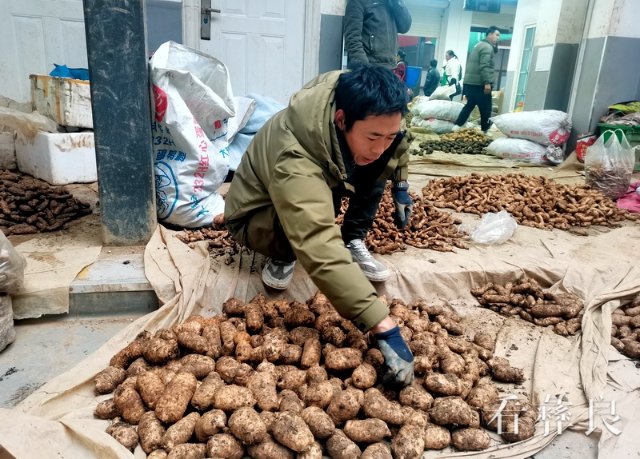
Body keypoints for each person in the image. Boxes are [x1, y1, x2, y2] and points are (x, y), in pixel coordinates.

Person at [223, 65, 415, 387]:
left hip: (314, 184)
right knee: (309, 224)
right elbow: (316, 238)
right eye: (372, 137)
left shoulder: (376, 114)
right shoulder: (294, 154)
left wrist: (401, 184)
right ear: (341, 120)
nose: (380, 145)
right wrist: (380, 322)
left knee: (378, 162)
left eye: (388, 135)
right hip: (256, 217)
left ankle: (353, 239)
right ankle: (284, 252)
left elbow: (398, 142)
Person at [453, 26, 500, 133]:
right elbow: (485, 66)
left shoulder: (478, 45)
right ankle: (485, 130)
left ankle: (456, 126)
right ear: (489, 34)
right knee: (486, 108)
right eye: (496, 35)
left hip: (470, 83)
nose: (498, 38)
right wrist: (487, 82)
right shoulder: (487, 47)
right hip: (480, 84)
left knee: (469, 105)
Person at [343, 0, 412, 69]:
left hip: (391, 67)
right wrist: (365, 69)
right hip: (369, 69)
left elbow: (404, 27)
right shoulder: (358, 2)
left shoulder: (392, 3)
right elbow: (352, 39)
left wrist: (397, 2)